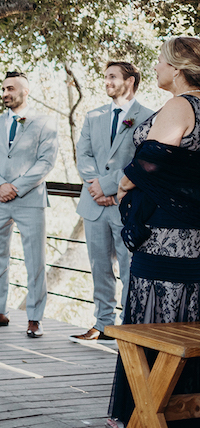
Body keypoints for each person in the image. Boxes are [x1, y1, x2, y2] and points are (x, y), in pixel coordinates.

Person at [108, 37, 200, 428]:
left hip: (166, 233)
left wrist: (122, 187)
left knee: (153, 315)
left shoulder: (181, 104)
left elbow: (152, 161)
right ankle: (185, 409)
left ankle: (147, 409)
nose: (157, 68)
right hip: (194, 230)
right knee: (189, 310)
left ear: (177, 69)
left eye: (160, 62)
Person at [71, 62, 152, 342]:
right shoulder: (93, 116)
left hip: (126, 204)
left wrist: (108, 187)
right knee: (100, 267)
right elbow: (84, 154)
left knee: (130, 269)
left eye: (112, 77)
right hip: (93, 205)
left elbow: (142, 161)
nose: (106, 81)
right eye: (106, 77)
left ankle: (127, 328)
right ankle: (103, 323)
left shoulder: (150, 116)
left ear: (130, 81)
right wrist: (97, 187)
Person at [0, 71, 59, 338]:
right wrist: (0, 185)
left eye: (10, 88)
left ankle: (34, 317)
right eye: (3, 89)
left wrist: (17, 187)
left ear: (26, 91)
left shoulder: (45, 123)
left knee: (34, 260)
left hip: (30, 199)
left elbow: (46, 162)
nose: (5, 93)